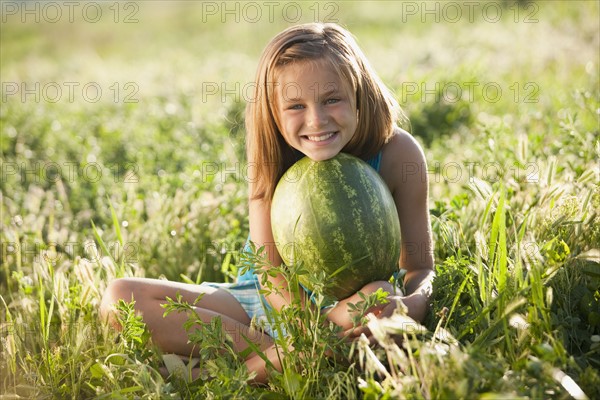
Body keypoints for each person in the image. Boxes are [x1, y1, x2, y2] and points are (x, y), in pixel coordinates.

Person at [100, 22, 434, 384]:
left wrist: (411, 305)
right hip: (263, 305)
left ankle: (235, 371)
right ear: (273, 112)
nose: (316, 120)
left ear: (359, 93)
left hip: (349, 308)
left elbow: (419, 267)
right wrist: (308, 333)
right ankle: (286, 361)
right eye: (295, 106)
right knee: (121, 297)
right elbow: (270, 273)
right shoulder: (271, 156)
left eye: (332, 99)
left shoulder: (399, 154)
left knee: (378, 296)